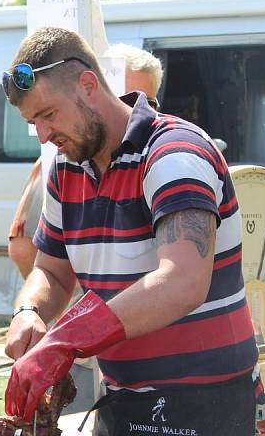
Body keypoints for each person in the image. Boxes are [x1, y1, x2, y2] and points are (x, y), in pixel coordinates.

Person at [2, 27, 259, 436]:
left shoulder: (174, 153)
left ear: (88, 85)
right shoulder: (66, 169)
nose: (43, 135)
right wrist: (30, 312)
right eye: (33, 123)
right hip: (121, 401)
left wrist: (65, 341)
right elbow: (52, 271)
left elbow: (181, 282)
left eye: (48, 115)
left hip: (206, 404)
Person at [8, 44, 164, 279]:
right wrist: (43, 307)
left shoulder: (167, 154)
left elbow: (182, 278)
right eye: (121, 97)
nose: (131, 109)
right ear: (93, 90)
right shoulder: (63, 161)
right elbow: (25, 250)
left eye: (146, 102)